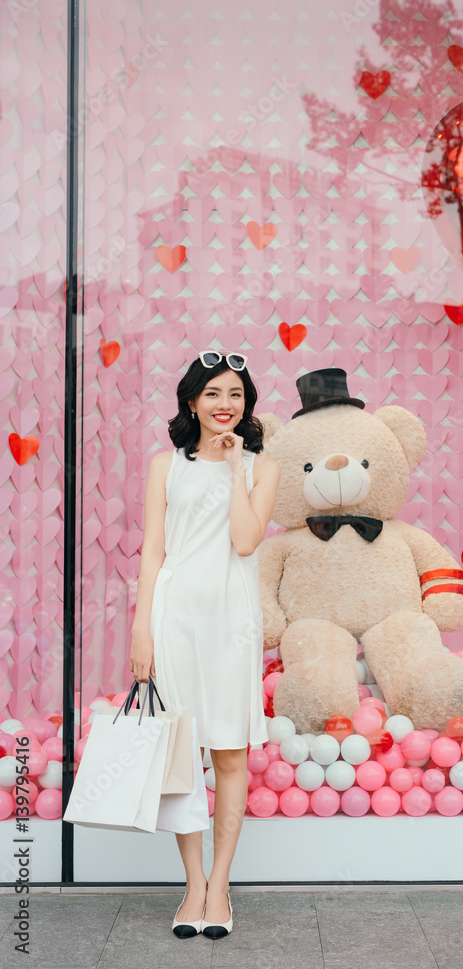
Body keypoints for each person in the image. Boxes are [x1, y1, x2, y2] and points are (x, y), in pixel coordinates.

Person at [128, 350, 280, 939]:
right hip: (175, 619)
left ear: (247, 406)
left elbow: (245, 541)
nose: (225, 405)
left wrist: (239, 465)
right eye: (213, 393)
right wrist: (142, 627)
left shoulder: (263, 466)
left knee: (230, 754)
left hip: (231, 624)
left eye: (236, 395)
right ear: (192, 401)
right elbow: (152, 551)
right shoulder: (165, 465)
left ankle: (220, 885)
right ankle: (192, 884)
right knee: (182, 755)